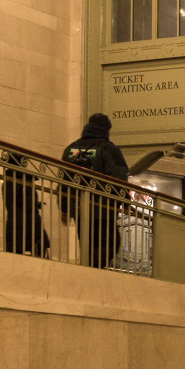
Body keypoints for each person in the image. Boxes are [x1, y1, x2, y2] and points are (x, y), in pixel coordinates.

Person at [61, 113, 129, 269]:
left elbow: (63, 181)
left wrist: (65, 208)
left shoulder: (71, 149)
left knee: (87, 243)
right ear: (106, 129)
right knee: (110, 243)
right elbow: (119, 177)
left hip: (79, 209)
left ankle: (89, 270)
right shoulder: (108, 149)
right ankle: (93, 270)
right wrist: (124, 202)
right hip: (103, 208)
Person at [3, 151, 50, 258]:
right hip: (27, 230)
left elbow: (15, 204)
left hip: (14, 227)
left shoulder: (7, 181)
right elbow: (31, 211)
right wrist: (40, 238)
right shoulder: (24, 182)